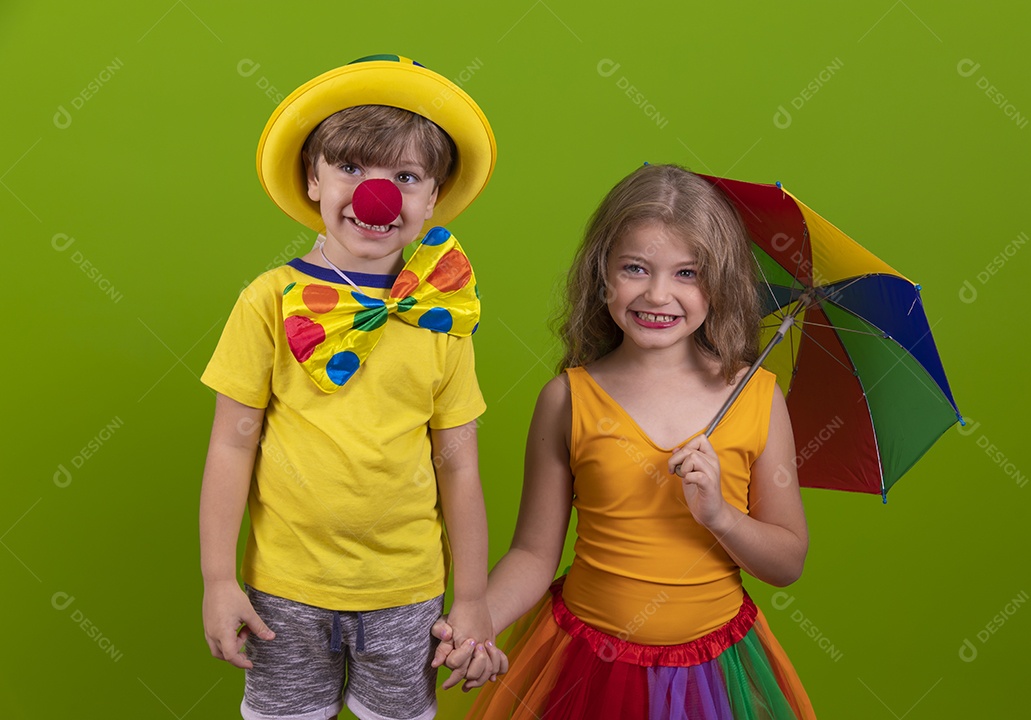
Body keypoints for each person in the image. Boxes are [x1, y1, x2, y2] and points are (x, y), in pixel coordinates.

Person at [435, 164, 816, 718]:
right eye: (636, 268)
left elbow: (788, 562)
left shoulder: (758, 397)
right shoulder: (567, 399)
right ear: (602, 275)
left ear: (722, 282)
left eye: (688, 273)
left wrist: (720, 515)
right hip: (586, 658)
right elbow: (533, 555)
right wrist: (474, 625)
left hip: (713, 672)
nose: (659, 293)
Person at [199, 54, 500, 720]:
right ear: (313, 178)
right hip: (286, 591)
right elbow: (230, 446)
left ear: (432, 198)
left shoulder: (442, 316)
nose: (377, 195)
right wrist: (219, 581)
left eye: (406, 176)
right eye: (351, 168)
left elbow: (459, 463)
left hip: (407, 593)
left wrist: (473, 596)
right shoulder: (268, 301)